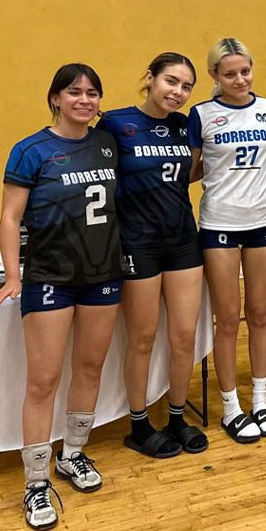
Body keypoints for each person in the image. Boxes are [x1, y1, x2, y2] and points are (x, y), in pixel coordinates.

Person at [0, 64, 123, 530]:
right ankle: (34, 482)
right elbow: (10, 218)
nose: (83, 100)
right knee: (43, 381)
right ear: (55, 98)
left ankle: (74, 454)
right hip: (51, 275)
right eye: (74, 92)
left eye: (92, 93)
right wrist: (12, 275)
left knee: (89, 366)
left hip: (102, 273)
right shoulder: (30, 150)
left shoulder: (107, 143)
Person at [97, 53, 207, 458]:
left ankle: (177, 416)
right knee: (142, 338)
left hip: (182, 241)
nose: (177, 92)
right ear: (150, 79)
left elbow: (192, 171)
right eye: (171, 81)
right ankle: (139, 424)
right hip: (137, 244)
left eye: (186, 86)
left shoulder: (184, 125)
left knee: (183, 335)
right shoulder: (115, 123)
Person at [188, 38, 266, 443]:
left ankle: (260, 399)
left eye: (245, 71)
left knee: (260, 314)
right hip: (219, 222)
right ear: (214, 76)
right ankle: (230, 406)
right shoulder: (201, 114)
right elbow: (189, 170)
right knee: (227, 318)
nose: (239, 79)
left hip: (263, 220)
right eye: (229, 74)